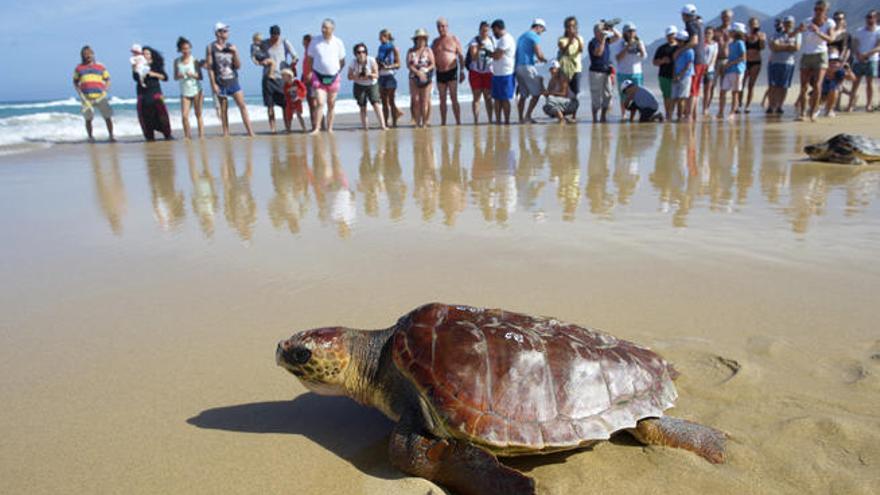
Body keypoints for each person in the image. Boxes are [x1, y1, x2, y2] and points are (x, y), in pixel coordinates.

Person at [206, 22, 255, 136]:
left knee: (242, 106)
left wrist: (235, 52)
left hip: (233, 80)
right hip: (220, 82)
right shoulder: (210, 48)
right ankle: (226, 133)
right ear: (218, 33)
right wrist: (213, 84)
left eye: (227, 31)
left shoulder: (231, 46)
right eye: (225, 31)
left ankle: (250, 132)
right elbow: (210, 68)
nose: (227, 33)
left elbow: (238, 66)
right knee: (224, 110)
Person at [795, 0, 837, 122]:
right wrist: (798, 30)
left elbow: (831, 39)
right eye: (816, 9)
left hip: (820, 54)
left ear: (826, 11)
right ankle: (802, 113)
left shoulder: (829, 23)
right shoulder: (807, 21)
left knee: (818, 85)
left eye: (820, 10)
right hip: (807, 54)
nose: (817, 12)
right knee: (803, 86)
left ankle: (813, 113)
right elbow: (794, 33)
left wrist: (818, 31)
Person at [306, 19, 346, 134]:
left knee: (331, 103)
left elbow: (342, 61)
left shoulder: (338, 42)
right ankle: (317, 128)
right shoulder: (315, 41)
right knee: (320, 102)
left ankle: (329, 128)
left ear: (332, 29)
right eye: (322, 27)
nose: (323, 29)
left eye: (326, 27)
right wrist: (309, 72)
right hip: (318, 75)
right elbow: (309, 59)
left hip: (333, 77)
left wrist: (336, 72)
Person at [259, 25, 298, 133]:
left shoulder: (284, 42)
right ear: (270, 34)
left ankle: (288, 128)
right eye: (273, 36)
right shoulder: (264, 43)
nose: (274, 39)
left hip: (281, 78)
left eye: (276, 36)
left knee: (285, 105)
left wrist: (290, 66)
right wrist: (260, 61)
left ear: (279, 35)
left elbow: (295, 56)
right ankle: (273, 130)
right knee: (270, 106)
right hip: (267, 78)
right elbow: (255, 53)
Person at [74, 46, 115, 142]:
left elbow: (108, 79)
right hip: (86, 98)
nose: (88, 56)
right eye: (85, 54)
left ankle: (111, 136)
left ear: (93, 54)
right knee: (88, 119)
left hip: (101, 97)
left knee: (107, 117)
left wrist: (105, 90)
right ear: (82, 56)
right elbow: (75, 81)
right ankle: (90, 137)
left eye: (89, 53)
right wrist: (79, 93)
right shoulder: (79, 68)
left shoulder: (100, 66)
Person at [431, 18, 465, 126]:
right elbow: (431, 57)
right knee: (442, 99)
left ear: (447, 26)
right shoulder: (435, 42)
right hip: (440, 72)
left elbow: (460, 55)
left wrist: (462, 71)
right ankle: (443, 122)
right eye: (439, 26)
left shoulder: (453, 39)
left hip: (452, 71)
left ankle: (458, 121)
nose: (441, 28)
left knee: (454, 97)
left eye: (443, 26)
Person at [134, 47, 172, 141]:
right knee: (144, 116)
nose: (145, 55)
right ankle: (149, 136)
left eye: (147, 54)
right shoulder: (138, 65)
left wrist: (153, 74)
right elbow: (135, 78)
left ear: (151, 55)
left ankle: (167, 134)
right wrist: (135, 69)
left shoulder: (156, 65)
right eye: (143, 54)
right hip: (142, 93)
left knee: (161, 114)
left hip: (155, 92)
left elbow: (165, 78)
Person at [514, 18, 548, 123]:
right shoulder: (534, 36)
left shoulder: (522, 36)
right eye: (542, 30)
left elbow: (522, 53)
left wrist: (535, 60)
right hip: (527, 67)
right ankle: (528, 115)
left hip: (518, 67)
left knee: (523, 95)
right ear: (539, 27)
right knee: (537, 92)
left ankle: (521, 118)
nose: (542, 33)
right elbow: (539, 53)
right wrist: (545, 60)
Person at [348, 43, 387, 130]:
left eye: (363, 52)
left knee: (376, 103)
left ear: (366, 52)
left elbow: (377, 75)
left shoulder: (371, 60)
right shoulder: (353, 62)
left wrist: (369, 75)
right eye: (359, 52)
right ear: (355, 54)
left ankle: (383, 125)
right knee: (362, 106)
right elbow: (349, 76)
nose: (361, 54)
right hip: (359, 85)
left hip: (371, 84)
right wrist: (357, 75)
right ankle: (365, 127)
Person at [588, 21, 621, 123]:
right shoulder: (592, 43)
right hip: (595, 72)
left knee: (608, 95)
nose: (603, 32)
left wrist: (610, 28)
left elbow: (618, 36)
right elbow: (598, 53)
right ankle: (594, 118)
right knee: (596, 97)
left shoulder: (606, 40)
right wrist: (602, 39)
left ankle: (603, 116)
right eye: (601, 30)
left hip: (606, 71)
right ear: (596, 32)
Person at [767, 16, 801, 115]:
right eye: (786, 23)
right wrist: (788, 46)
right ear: (784, 24)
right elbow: (773, 47)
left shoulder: (797, 35)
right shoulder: (776, 34)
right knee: (773, 86)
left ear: (793, 24)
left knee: (784, 86)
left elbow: (796, 47)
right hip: (775, 62)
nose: (788, 25)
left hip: (788, 63)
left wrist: (780, 46)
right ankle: (771, 106)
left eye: (790, 23)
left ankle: (779, 106)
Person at [611, 23, 647, 117]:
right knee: (623, 96)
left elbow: (644, 57)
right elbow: (617, 58)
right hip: (623, 73)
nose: (631, 33)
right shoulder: (620, 43)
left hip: (637, 73)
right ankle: (623, 114)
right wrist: (627, 47)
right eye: (629, 31)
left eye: (633, 31)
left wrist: (640, 49)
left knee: (638, 95)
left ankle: (634, 115)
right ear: (624, 33)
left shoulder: (639, 42)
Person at [847, 10, 879, 112]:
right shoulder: (859, 31)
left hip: (872, 59)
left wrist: (867, 54)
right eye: (868, 17)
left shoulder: (879, 30)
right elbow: (855, 44)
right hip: (858, 60)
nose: (869, 19)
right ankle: (850, 105)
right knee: (855, 83)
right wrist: (858, 55)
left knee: (869, 83)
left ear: (876, 18)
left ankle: (868, 104)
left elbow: (879, 46)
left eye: (871, 17)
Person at [174, 37, 204, 139]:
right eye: (184, 49)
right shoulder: (177, 61)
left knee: (198, 114)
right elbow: (175, 77)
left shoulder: (194, 60)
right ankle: (188, 136)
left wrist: (193, 75)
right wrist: (179, 76)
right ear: (180, 50)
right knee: (184, 116)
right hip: (184, 92)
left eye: (188, 48)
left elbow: (201, 77)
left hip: (196, 90)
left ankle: (201, 136)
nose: (186, 51)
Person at [466, 21, 495, 124]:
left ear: (489, 31)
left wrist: (489, 53)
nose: (484, 32)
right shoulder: (474, 41)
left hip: (488, 72)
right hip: (476, 72)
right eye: (482, 30)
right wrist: (478, 48)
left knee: (488, 97)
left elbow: (495, 56)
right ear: (479, 30)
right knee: (476, 97)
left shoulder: (492, 40)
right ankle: (476, 120)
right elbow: (473, 57)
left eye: (486, 30)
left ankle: (491, 119)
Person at [680, 4, 705, 121]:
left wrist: (680, 50)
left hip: (695, 59)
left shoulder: (690, 24)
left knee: (691, 88)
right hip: (702, 59)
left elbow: (694, 41)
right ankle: (693, 115)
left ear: (685, 15)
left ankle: (688, 115)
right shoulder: (699, 23)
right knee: (696, 88)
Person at [718, 23, 747, 120]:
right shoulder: (731, 43)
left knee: (735, 92)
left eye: (731, 31)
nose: (729, 32)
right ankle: (720, 112)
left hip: (738, 70)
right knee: (722, 91)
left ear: (736, 32)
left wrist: (729, 64)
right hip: (729, 70)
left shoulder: (740, 43)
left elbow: (743, 57)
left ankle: (732, 112)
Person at [407, 28, 435, 128]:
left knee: (425, 100)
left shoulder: (428, 50)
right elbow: (409, 65)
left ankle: (424, 122)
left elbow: (433, 64)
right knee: (416, 100)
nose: (421, 41)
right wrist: (417, 72)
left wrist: (426, 70)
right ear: (415, 40)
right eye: (419, 39)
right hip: (414, 77)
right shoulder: (411, 51)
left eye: (423, 39)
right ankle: (417, 121)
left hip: (426, 77)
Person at [708, 9, 735, 112]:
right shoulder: (716, 31)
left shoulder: (734, 31)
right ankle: (707, 107)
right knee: (711, 85)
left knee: (724, 87)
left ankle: (721, 110)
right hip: (716, 60)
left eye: (727, 17)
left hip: (728, 61)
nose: (725, 19)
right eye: (724, 17)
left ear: (731, 18)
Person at [490, 19, 516, 125]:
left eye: (493, 31)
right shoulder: (502, 40)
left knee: (504, 98)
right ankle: (498, 120)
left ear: (497, 28)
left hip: (506, 73)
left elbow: (497, 56)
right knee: (497, 98)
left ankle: (506, 121)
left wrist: (489, 54)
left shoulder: (506, 39)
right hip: (498, 73)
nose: (493, 33)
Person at [377, 29, 404, 127]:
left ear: (386, 36)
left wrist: (388, 66)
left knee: (391, 101)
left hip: (390, 76)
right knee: (384, 101)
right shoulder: (380, 48)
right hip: (381, 76)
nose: (379, 39)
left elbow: (399, 64)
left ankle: (394, 123)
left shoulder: (393, 48)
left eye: (381, 36)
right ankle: (385, 123)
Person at [654, 26, 679, 120]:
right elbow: (654, 62)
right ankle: (668, 114)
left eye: (672, 35)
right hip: (664, 75)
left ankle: (673, 113)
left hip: (677, 75)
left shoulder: (680, 47)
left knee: (676, 96)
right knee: (667, 96)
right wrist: (662, 61)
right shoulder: (662, 48)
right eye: (668, 35)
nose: (670, 37)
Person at [742, 17, 767, 113]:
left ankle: (747, 106)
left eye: (755, 24)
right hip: (746, 61)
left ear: (758, 25)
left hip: (756, 61)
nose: (754, 26)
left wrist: (761, 40)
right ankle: (739, 103)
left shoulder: (761, 35)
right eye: (752, 24)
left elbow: (762, 47)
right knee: (741, 84)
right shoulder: (745, 35)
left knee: (751, 85)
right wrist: (747, 37)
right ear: (749, 25)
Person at [821, 48, 855, 116]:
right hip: (820, 94)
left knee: (834, 89)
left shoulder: (840, 71)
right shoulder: (821, 70)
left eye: (836, 62)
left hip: (831, 92)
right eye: (830, 61)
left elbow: (853, 78)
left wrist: (848, 69)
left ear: (839, 63)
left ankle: (829, 110)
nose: (833, 64)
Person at [557, 17, 585, 99]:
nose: (571, 28)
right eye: (569, 26)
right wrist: (570, 41)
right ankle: (564, 110)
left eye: (573, 26)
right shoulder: (562, 39)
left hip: (577, 68)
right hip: (565, 69)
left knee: (575, 91)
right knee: (564, 91)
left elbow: (581, 50)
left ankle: (573, 111)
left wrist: (577, 39)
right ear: (566, 28)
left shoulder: (580, 38)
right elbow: (563, 50)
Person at [672, 31, 695, 121]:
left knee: (682, 98)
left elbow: (688, 65)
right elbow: (675, 63)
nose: (677, 42)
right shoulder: (677, 51)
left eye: (679, 41)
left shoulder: (689, 51)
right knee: (674, 97)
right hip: (677, 75)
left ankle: (680, 116)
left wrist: (680, 75)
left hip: (686, 76)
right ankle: (673, 115)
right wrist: (674, 75)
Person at [702, 26, 719, 116]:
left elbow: (714, 56)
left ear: (713, 34)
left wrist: (709, 66)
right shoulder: (702, 44)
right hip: (700, 68)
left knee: (708, 89)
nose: (707, 35)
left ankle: (705, 108)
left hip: (710, 69)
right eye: (706, 33)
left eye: (709, 33)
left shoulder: (715, 44)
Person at [301, 34, 317, 128]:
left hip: (313, 78)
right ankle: (315, 125)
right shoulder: (306, 52)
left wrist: (310, 75)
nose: (304, 43)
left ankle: (317, 126)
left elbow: (317, 65)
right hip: (306, 77)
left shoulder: (313, 52)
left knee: (314, 103)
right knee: (311, 103)